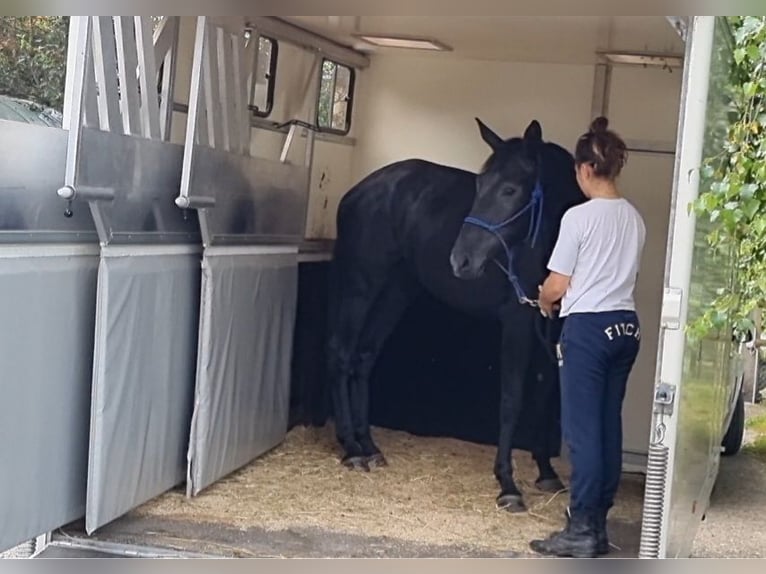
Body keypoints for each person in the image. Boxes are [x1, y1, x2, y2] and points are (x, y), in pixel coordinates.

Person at [530, 117, 646, 558]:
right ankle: (597, 523)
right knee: (607, 427)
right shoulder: (633, 218)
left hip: (589, 331)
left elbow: (557, 286)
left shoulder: (578, 218)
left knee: (582, 433)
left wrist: (543, 299)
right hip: (625, 326)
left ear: (583, 169)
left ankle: (580, 528)